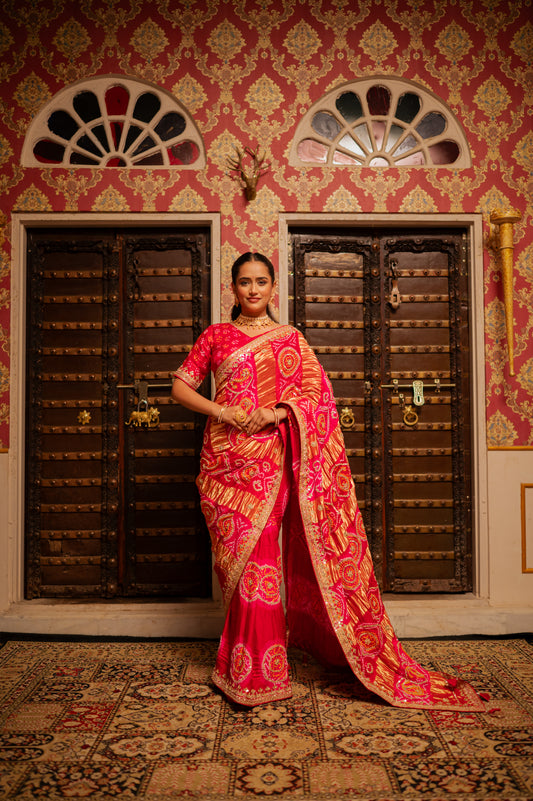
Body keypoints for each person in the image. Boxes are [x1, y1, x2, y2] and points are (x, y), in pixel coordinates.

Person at [171, 251, 485, 711]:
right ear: (232, 288)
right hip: (223, 464)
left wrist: (276, 412)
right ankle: (235, 664)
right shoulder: (215, 336)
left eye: (261, 281)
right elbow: (180, 386)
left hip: (271, 460)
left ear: (274, 287)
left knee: (261, 562)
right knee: (235, 566)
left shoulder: (291, 340)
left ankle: (260, 673)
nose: (253, 290)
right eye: (244, 282)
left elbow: (316, 396)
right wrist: (224, 411)